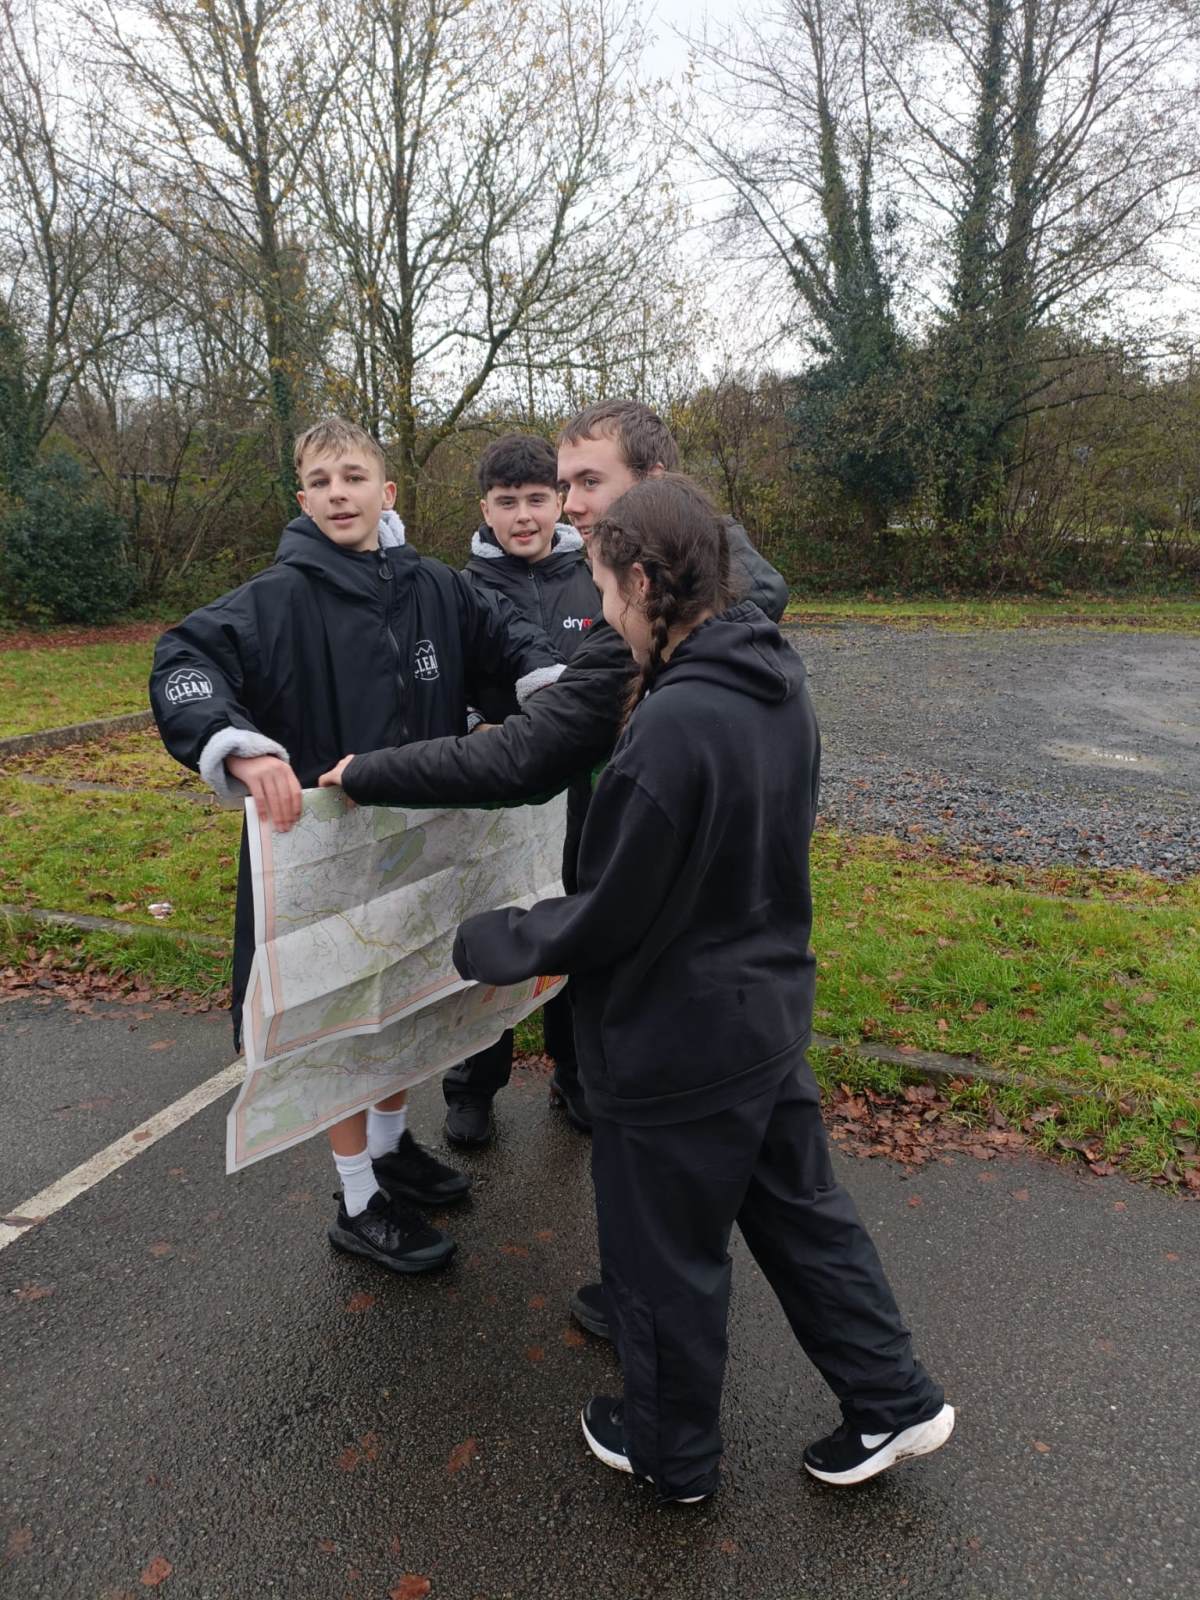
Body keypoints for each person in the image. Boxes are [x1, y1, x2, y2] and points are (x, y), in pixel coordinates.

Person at [451, 475, 954, 1503]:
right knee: (803, 1218)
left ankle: (669, 1451)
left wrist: (494, 938)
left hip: (677, 1046)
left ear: (645, 583)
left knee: (661, 1259)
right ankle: (891, 1396)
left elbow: (610, 914)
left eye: (605, 593)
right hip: (765, 1018)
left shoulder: (672, 726)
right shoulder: (777, 680)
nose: (601, 616)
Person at [328, 399, 789, 1333]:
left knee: (654, 1142)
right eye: (551, 487)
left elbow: (537, 768)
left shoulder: (657, 653)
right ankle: (879, 1384)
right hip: (758, 972)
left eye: (583, 484)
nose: (565, 506)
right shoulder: (749, 649)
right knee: (789, 1190)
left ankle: (653, 1341)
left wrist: (374, 776)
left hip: (679, 968)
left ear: (653, 499)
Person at [149, 417, 564, 1275]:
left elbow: (512, 642)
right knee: (339, 1020)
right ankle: (357, 1198)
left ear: (387, 491)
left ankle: (389, 1146)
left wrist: (559, 692)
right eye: (320, 481)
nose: (339, 493)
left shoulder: (437, 587)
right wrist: (236, 744)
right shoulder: (273, 599)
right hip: (322, 855)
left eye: (353, 476)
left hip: (418, 843)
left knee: (403, 1000)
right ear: (302, 498)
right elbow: (184, 661)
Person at [441, 434, 600, 1149]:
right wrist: (473, 726)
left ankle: (575, 1073)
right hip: (496, 796)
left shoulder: (597, 572)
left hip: (585, 794)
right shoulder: (457, 590)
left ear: (559, 501)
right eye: (507, 503)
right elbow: (440, 684)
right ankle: (473, 1087)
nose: (524, 516)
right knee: (492, 932)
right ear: (485, 509)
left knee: (577, 929)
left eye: (537, 499)